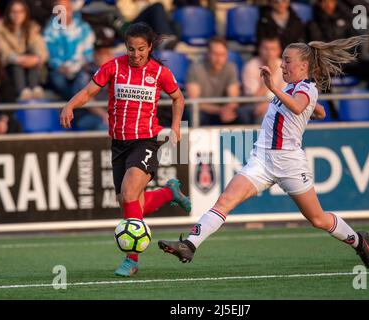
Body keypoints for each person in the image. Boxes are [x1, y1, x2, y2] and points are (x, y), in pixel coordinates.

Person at [158, 35, 369, 270]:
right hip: (262, 160)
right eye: (283, 60)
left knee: (317, 219)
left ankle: (357, 240)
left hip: (290, 164)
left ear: (304, 65)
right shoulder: (293, 88)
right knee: (225, 201)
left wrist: (274, 88)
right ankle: (189, 245)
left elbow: (298, 105)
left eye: (287, 61)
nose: (282, 65)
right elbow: (313, 109)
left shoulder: (307, 87)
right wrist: (314, 110)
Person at [59, 22, 191, 277]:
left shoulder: (159, 72)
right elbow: (88, 92)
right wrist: (70, 105)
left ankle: (132, 260)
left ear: (150, 47)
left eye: (141, 49)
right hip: (119, 144)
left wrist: (175, 126)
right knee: (128, 202)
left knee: (129, 193)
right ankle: (168, 193)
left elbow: (178, 97)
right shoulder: (113, 67)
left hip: (146, 141)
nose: (136, 54)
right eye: (131, 49)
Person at [0, 0, 48, 101]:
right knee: (16, 62)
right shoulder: (1, 27)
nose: (17, 15)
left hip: (31, 67)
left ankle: (34, 87)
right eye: (14, 12)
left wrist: (37, 58)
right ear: (8, 13)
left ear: (25, 13)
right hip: (10, 67)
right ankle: (22, 91)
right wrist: (19, 59)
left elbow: (40, 47)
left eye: (20, 11)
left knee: (33, 56)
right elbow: (3, 49)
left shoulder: (32, 27)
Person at [186, 36, 244, 126]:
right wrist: (220, 110)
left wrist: (227, 110)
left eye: (222, 55)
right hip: (205, 111)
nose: (218, 58)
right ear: (208, 54)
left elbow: (234, 99)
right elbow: (194, 102)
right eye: (215, 54)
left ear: (227, 55)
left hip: (223, 111)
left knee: (242, 114)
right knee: (194, 114)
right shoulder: (195, 68)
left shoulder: (231, 68)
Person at [43, 0, 95, 101]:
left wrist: (80, 66)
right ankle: (73, 104)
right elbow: (49, 55)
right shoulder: (49, 31)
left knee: (84, 78)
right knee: (58, 80)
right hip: (60, 70)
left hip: (81, 68)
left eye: (65, 9)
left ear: (71, 10)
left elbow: (88, 53)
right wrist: (60, 67)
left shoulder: (83, 28)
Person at [242, 35, 284, 123]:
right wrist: (267, 78)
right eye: (265, 48)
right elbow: (253, 99)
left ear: (279, 51)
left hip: (279, 105)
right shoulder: (251, 66)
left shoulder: (284, 67)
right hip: (256, 105)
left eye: (273, 49)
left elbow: (286, 95)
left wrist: (269, 105)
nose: (269, 52)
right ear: (260, 49)